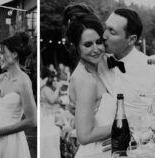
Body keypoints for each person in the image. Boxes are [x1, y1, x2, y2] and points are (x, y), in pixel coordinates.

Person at [63, 3, 116, 158]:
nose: (96, 49)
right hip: (96, 153)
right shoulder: (85, 79)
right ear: (76, 47)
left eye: (99, 42)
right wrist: (126, 126)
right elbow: (84, 135)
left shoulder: (101, 67)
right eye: (87, 44)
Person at [98, 8, 155, 123]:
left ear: (131, 40)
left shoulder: (153, 71)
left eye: (112, 32)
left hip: (137, 137)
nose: (104, 35)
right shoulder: (96, 60)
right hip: (97, 137)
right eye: (105, 28)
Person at [0, 32, 37, 158]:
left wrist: (0, 132)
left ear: (14, 55)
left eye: (2, 52)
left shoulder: (23, 82)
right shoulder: (0, 78)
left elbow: (32, 121)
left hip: (10, 142)